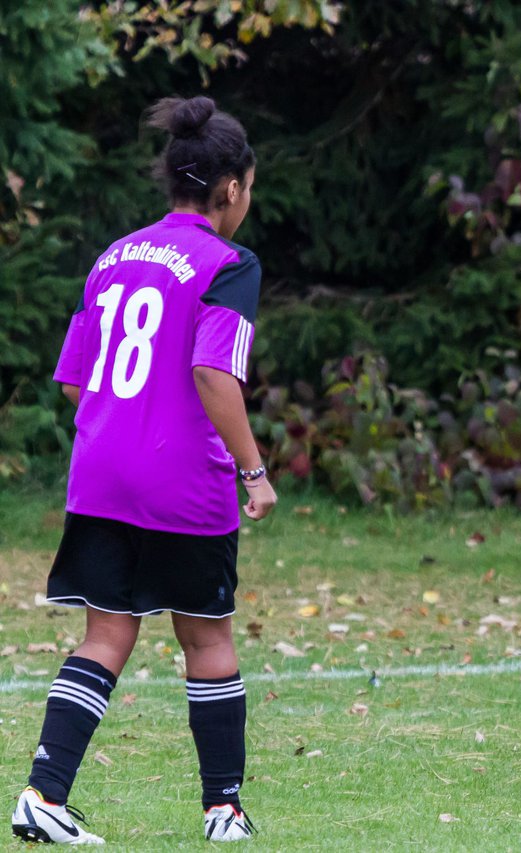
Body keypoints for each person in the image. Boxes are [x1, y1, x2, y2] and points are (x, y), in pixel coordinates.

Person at [10, 96, 275, 844]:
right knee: (208, 639)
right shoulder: (229, 263)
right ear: (230, 188)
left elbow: (73, 380)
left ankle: (43, 794)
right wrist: (253, 471)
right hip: (181, 481)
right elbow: (214, 374)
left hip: (100, 472)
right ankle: (223, 809)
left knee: (107, 632)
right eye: (248, 187)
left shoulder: (114, 255)